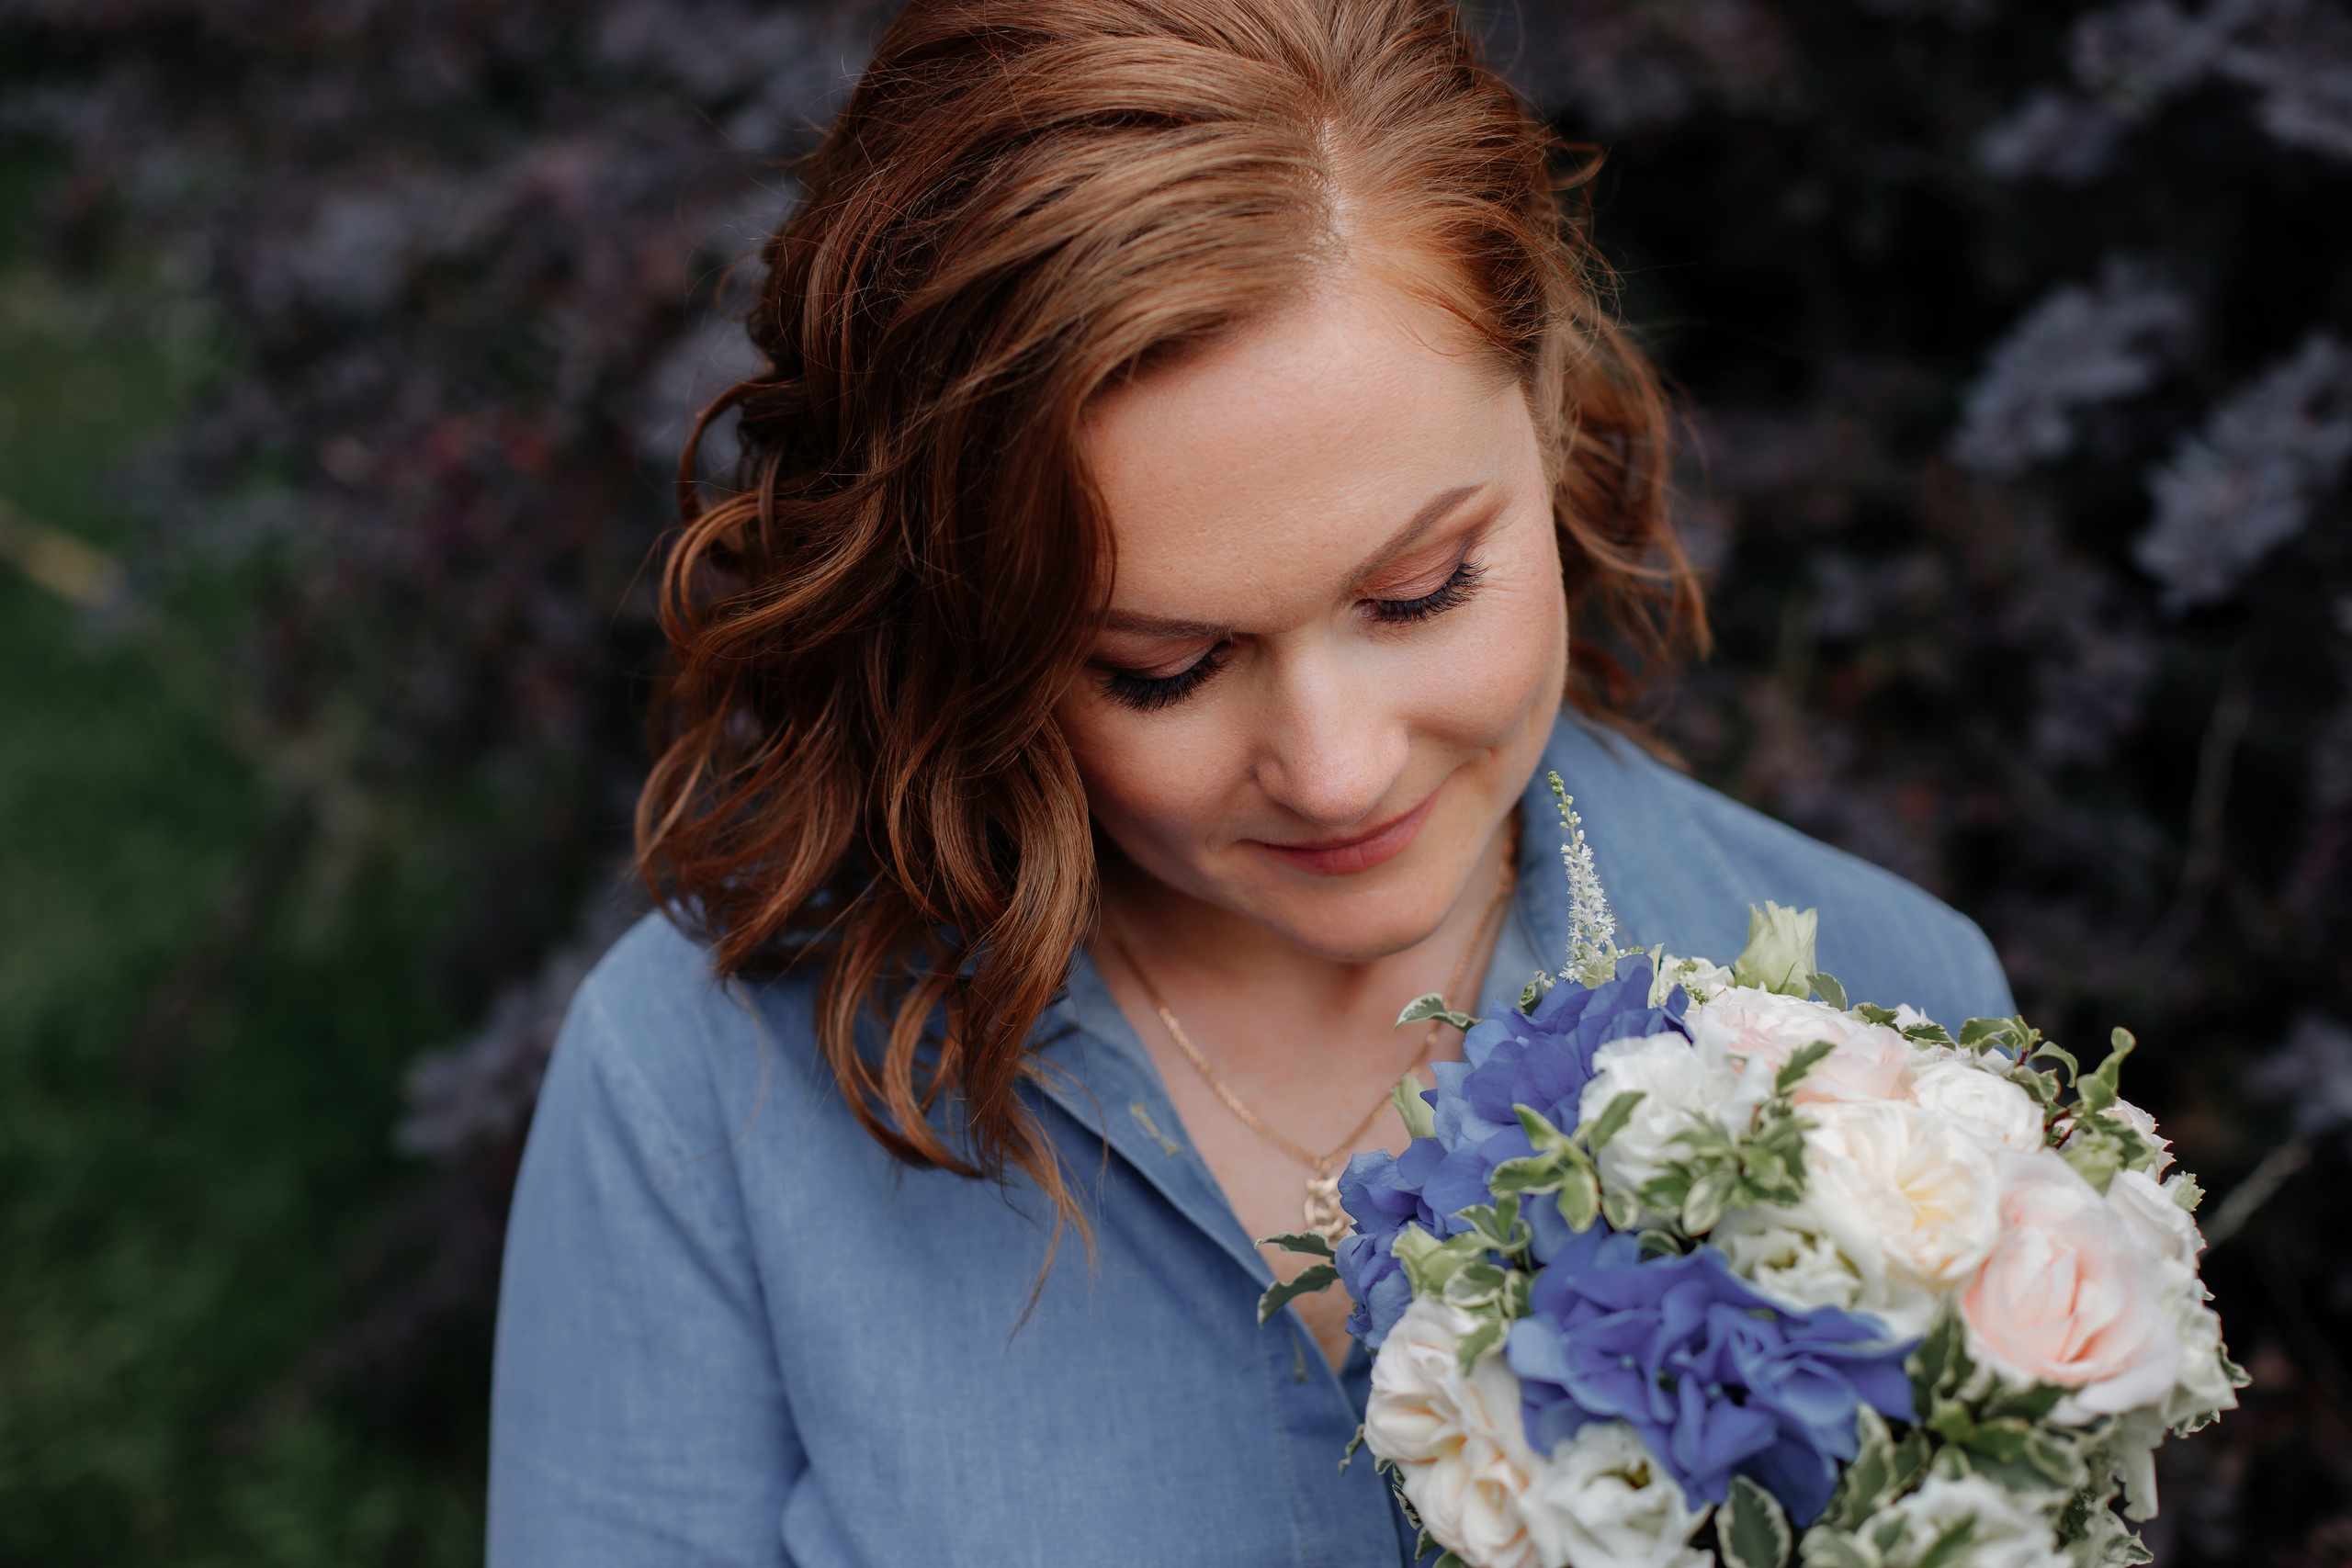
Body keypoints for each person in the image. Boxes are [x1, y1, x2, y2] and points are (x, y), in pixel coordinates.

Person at [486, 2, 2013, 1562]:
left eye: (1419, 592)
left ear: (1549, 412)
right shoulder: (703, 1090)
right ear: (968, 623)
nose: (1337, 773)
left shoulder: (1898, 1026)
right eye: (1162, 666)